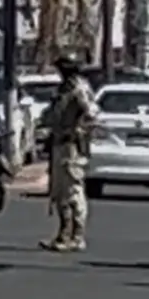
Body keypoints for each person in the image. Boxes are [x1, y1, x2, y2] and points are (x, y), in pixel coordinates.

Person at [40, 55, 98, 252]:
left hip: (72, 147)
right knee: (59, 192)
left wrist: (78, 130)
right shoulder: (63, 89)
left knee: (73, 190)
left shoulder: (79, 89)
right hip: (59, 144)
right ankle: (63, 234)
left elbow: (92, 114)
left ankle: (77, 236)